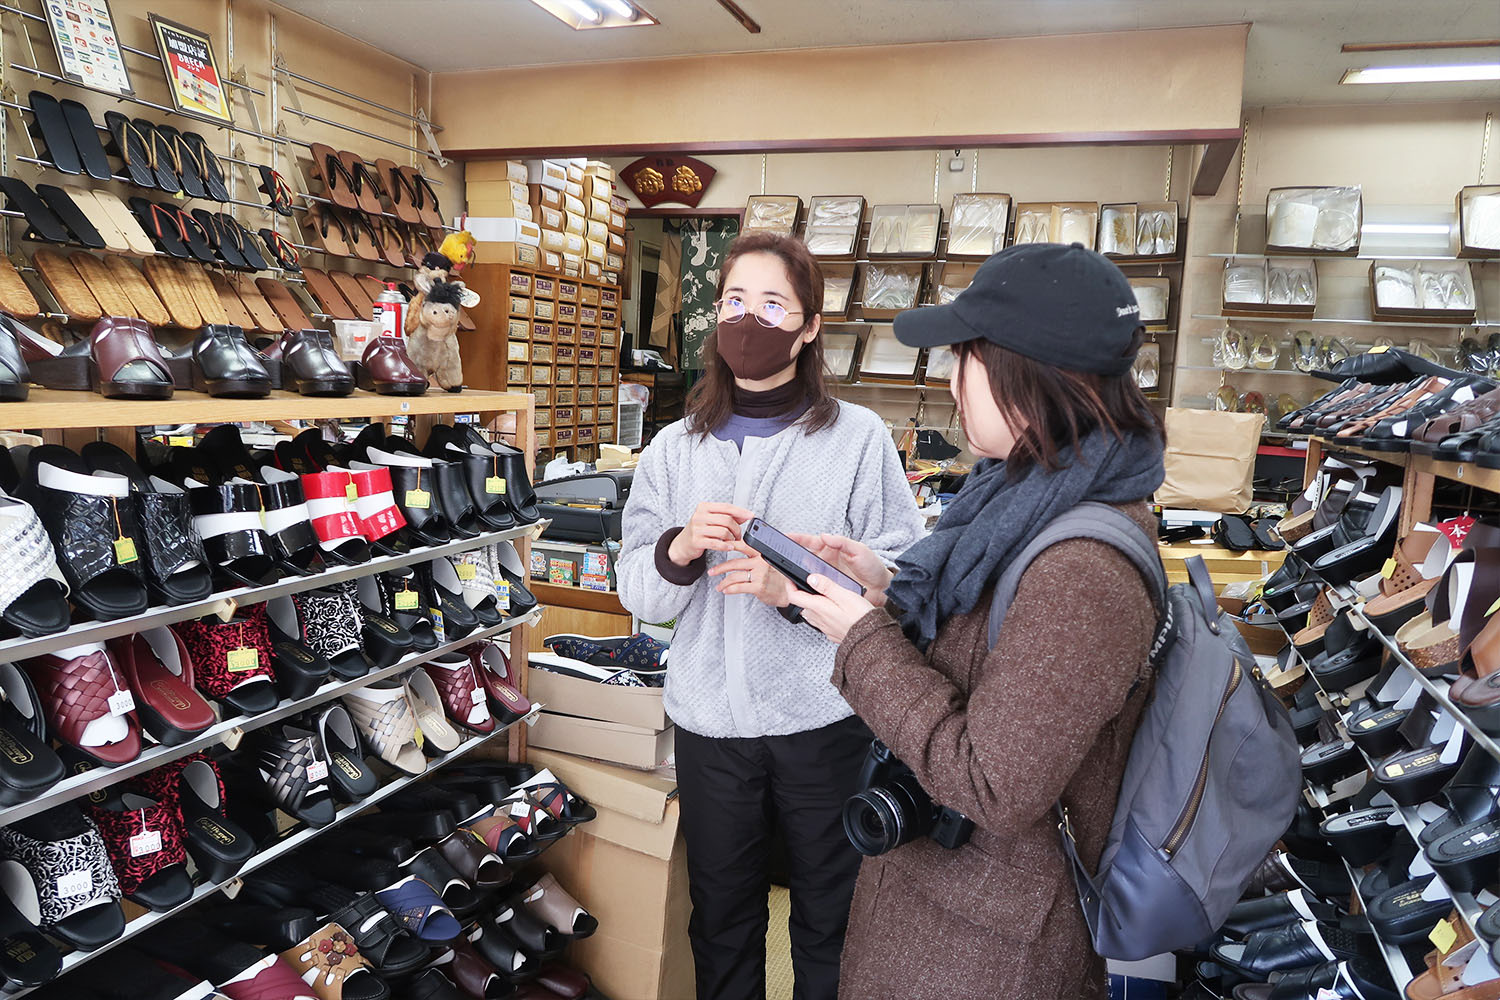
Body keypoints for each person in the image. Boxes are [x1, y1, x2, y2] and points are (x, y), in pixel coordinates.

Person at [784, 243, 1166, 1000]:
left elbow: (995, 783)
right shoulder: (1027, 494)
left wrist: (862, 640)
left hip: (990, 950)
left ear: (1031, 373)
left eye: (966, 357)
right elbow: (1001, 646)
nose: (951, 380)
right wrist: (885, 588)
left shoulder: (1085, 568)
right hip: (950, 913)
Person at [616, 232, 925, 1000]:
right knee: (721, 919)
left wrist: (796, 586)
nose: (748, 320)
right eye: (734, 301)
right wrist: (680, 547)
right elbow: (639, 594)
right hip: (711, 730)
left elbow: (902, 582)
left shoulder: (858, 440)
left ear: (810, 325)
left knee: (832, 920)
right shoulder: (673, 449)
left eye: (773, 305)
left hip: (826, 720)